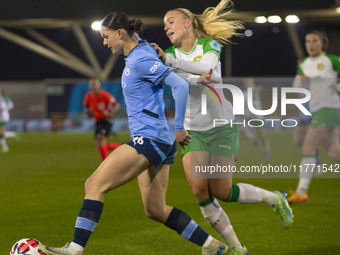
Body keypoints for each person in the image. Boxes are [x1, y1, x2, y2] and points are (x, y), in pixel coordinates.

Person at [38, 11, 230, 255]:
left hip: (150, 138)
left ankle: (74, 249)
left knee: (93, 184)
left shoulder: (139, 58)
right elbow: (170, 79)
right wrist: (193, 81)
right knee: (156, 210)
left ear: (119, 33)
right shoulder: (142, 51)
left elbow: (178, 86)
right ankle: (211, 246)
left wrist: (179, 126)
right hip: (160, 139)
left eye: (106, 37)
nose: (105, 42)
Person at [151, 0, 293, 254]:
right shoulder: (169, 58)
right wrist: (181, 71)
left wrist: (171, 61)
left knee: (222, 190)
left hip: (221, 127)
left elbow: (204, 67)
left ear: (188, 22)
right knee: (199, 191)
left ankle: (274, 198)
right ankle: (238, 248)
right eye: (163, 25)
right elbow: (181, 84)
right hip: (193, 132)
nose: (166, 27)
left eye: (170, 21)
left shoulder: (209, 46)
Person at [288, 30, 340, 204]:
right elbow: (296, 85)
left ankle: (301, 191)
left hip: (330, 108)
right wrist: (301, 82)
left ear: (321, 43)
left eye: (314, 41)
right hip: (317, 110)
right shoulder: (303, 63)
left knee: (308, 147)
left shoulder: (331, 60)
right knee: (335, 153)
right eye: (307, 41)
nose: (310, 44)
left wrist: (338, 88)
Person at [83, 78, 121, 161]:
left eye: (95, 84)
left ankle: (104, 162)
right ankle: (121, 147)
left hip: (106, 120)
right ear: (90, 86)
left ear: (99, 85)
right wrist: (87, 114)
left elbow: (117, 105)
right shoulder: (88, 96)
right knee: (97, 143)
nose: (94, 86)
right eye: (92, 84)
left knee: (101, 139)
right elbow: (87, 107)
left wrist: (109, 112)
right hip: (98, 120)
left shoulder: (105, 95)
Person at [239, 77, 271, 158]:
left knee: (262, 135)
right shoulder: (245, 93)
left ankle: (267, 150)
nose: (248, 84)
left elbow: (257, 91)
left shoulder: (254, 92)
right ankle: (253, 139)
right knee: (242, 130)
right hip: (248, 115)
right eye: (246, 83)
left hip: (258, 116)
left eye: (249, 83)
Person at [0, 88, 14, 153]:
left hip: (3, 118)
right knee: (1, 133)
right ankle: (11, 134)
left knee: (1, 132)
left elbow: (11, 105)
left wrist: (5, 109)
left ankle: (5, 148)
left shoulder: (5, 98)